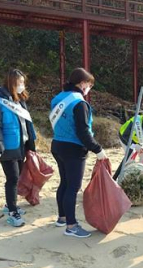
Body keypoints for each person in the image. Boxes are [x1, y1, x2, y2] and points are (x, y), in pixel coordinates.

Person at [50, 67, 107, 238]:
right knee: (73, 187)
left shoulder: (58, 98)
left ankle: (62, 217)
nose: (89, 88)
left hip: (57, 144)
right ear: (82, 84)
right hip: (73, 149)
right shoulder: (79, 102)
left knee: (64, 183)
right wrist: (98, 149)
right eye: (89, 85)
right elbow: (83, 132)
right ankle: (71, 226)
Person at [0, 69, 36, 227]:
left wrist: (31, 143)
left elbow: (26, 124)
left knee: (17, 176)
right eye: (19, 82)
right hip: (7, 147)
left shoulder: (19, 101)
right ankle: (13, 212)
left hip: (20, 144)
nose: (22, 85)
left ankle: (9, 205)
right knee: (13, 178)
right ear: (11, 83)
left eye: (23, 82)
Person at [113, 104, 143, 180]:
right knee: (129, 157)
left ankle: (139, 176)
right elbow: (125, 136)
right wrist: (135, 146)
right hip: (125, 138)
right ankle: (116, 178)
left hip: (140, 140)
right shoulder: (136, 121)